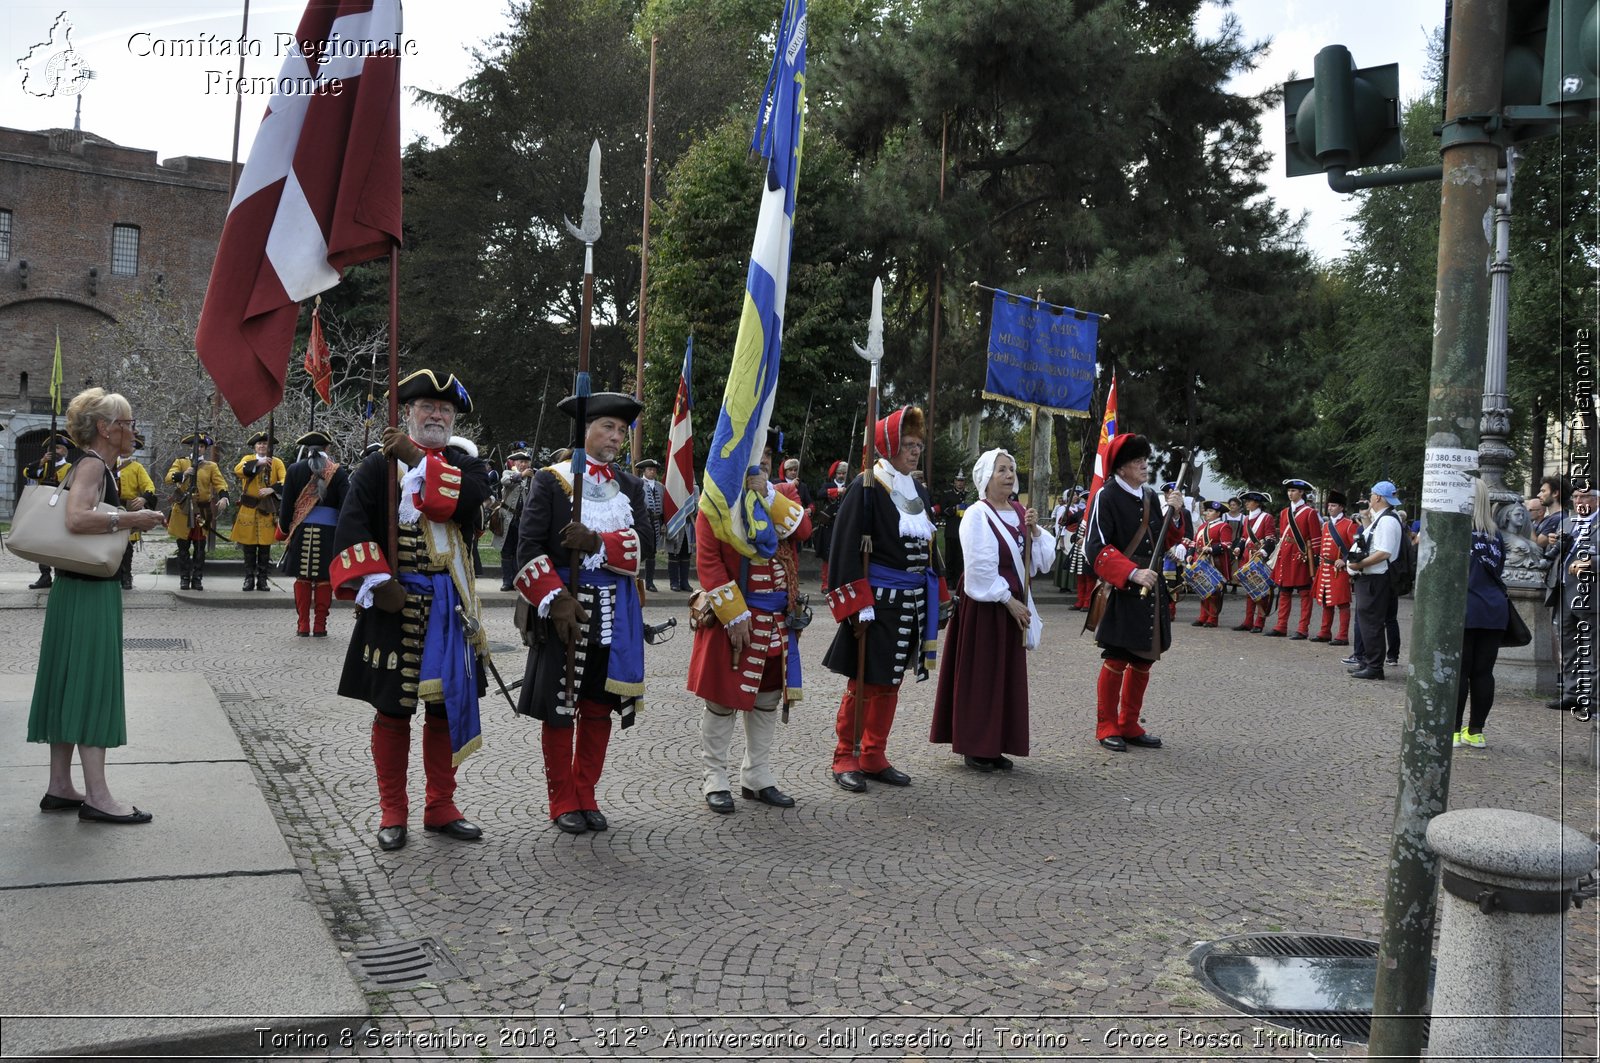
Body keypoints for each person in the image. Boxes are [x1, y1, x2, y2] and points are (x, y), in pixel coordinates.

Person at [331, 369, 491, 851]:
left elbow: (464, 506)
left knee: (445, 709)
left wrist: (416, 459)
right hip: (393, 607)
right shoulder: (377, 469)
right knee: (392, 710)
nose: (437, 415)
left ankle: (440, 805)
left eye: (445, 410)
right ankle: (392, 811)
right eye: (427, 407)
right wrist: (378, 584)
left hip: (450, 608)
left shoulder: (468, 466)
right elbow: (352, 525)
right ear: (409, 413)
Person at [513, 392, 651, 835]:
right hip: (564, 612)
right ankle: (562, 800)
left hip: (615, 614)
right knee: (561, 706)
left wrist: (598, 543)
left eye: (621, 431)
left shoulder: (629, 486)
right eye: (608, 427)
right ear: (585, 431)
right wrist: (554, 598)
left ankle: (586, 792)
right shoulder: (551, 481)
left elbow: (646, 545)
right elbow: (527, 547)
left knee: (598, 705)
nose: (615, 437)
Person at [29, 388, 167, 824]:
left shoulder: (93, 465)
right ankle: (98, 796)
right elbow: (76, 518)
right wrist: (132, 518)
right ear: (106, 428)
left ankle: (60, 786)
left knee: (68, 683)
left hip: (74, 591)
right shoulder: (92, 464)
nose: (131, 430)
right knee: (91, 685)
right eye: (126, 423)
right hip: (89, 592)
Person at [822, 405, 948, 793]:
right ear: (890, 445)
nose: (915, 451)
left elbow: (930, 549)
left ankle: (874, 754)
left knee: (891, 682)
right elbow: (844, 550)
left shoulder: (919, 491)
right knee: (863, 683)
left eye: (918, 445)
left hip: (911, 603)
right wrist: (857, 604)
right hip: (876, 603)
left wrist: (940, 595)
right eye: (908, 444)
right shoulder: (866, 486)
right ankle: (846, 754)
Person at [689, 430, 812, 813]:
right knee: (722, 702)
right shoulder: (716, 502)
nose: (762, 463)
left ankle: (756, 775)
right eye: (753, 457)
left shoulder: (783, 495)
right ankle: (715, 778)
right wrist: (733, 614)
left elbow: (803, 529)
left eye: (767, 457)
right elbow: (708, 562)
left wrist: (768, 493)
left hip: (776, 621)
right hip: (735, 618)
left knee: (766, 701)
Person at [930, 449, 1054, 771]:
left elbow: (1039, 563)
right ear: (987, 478)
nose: (1010, 474)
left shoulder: (1020, 511)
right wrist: (1007, 600)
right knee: (982, 676)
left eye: (1012, 469)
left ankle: (997, 743)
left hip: (1012, 605)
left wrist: (1036, 530)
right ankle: (975, 745)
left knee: (1005, 678)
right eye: (1002, 470)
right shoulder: (976, 514)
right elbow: (979, 566)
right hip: (986, 606)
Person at [1084, 434, 1181, 751]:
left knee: (1144, 660)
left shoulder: (1152, 496)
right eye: (1137, 460)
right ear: (1121, 467)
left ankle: (1129, 722)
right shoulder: (1106, 496)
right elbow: (1095, 547)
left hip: (1151, 588)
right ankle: (1106, 725)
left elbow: (1166, 540)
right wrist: (1131, 572)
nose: (1144, 464)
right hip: (1124, 586)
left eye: (1144, 458)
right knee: (1117, 658)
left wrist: (1175, 514)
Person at [278, 431, 350, 637]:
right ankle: (320, 626)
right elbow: (346, 505)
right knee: (324, 579)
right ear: (327, 448)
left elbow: (286, 506)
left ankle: (302, 625)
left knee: (303, 577)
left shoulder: (294, 469)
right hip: (329, 534)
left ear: (307, 450)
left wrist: (284, 529)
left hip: (301, 531)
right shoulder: (339, 473)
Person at [1456, 477, 1509, 749]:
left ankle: (1453, 730)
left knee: (1460, 671)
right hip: (1494, 610)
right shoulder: (1494, 534)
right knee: (1483, 673)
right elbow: (1498, 570)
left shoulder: (1457, 530)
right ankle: (1476, 731)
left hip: (1466, 608)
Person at [1347, 480, 1405, 680]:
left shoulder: (1388, 520)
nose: (1370, 497)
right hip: (1374, 577)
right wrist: (1365, 519)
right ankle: (1369, 662)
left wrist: (1358, 565)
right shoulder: (1384, 518)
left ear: (1378, 497)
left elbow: (1384, 552)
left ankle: (1374, 666)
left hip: (1376, 578)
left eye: (1372, 494)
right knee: (1368, 621)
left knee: (1371, 622)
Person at [1550, 477, 1598, 712]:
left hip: (1590, 593)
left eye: (1584, 496)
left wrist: (1591, 561)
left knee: (1590, 647)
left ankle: (1592, 699)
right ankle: (1571, 693)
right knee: (1568, 645)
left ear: (1597, 499)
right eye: (1576, 497)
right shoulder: (1568, 522)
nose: (1579, 501)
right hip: (1563, 590)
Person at [165, 434, 230, 591]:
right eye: (195, 445)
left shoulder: (210, 466)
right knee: (183, 547)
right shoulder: (181, 462)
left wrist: (224, 498)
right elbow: (168, 478)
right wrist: (184, 474)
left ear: (205, 449)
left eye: (201, 446)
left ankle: (197, 578)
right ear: (190, 447)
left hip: (202, 510)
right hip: (183, 510)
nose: (198, 448)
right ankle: (184, 578)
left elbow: (220, 483)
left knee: (200, 547)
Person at [231, 430, 285, 592]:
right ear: (254, 446)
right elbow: (239, 470)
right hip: (249, 508)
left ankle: (262, 579)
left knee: (264, 548)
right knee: (248, 547)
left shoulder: (276, 462)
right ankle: (249, 578)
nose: (262, 446)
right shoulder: (248, 459)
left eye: (265, 443)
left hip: (267, 509)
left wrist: (272, 489)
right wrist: (258, 464)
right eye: (259, 443)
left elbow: (285, 479)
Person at [1268, 478, 1321, 639]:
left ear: (1301, 493)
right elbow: (1283, 536)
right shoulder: (1285, 512)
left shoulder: (1310, 512)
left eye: (1294, 491)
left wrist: (1313, 559)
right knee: (1284, 592)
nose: (1290, 494)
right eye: (1289, 491)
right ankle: (1281, 626)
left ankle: (1303, 629)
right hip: (1286, 557)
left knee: (1305, 593)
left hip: (1301, 557)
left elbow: (1316, 538)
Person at [23, 433, 73, 588]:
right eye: (52, 448)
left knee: (60, 543)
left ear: (65, 451)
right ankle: (45, 576)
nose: (55, 451)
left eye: (58, 447)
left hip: (61, 510)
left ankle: (61, 574)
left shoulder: (71, 468)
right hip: (44, 510)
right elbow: (28, 473)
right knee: (41, 543)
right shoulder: (43, 465)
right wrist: (42, 461)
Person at [1312, 490, 1359, 645]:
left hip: (1339, 570)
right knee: (1326, 601)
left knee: (1342, 603)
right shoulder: (1326, 525)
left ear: (1341, 507)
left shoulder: (1349, 525)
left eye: (1333, 505)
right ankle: (1325, 632)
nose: (1330, 508)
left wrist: (1345, 560)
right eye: (1329, 505)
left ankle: (1342, 636)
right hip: (1325, 568)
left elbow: (1356, 547)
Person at [114, 434, 157, 591]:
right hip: (110, 508)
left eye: (132, 447)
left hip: (128, 509)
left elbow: (149, 487)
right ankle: (112, 574)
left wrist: (144, 499)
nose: (128, 450)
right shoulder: (107, 464)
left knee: (127, 546)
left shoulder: (137, 467)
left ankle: (126, 576)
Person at [1233, 491, 1276, 632]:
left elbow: (1271, 539)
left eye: (1248, 501)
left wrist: (1263, 552)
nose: (1246, 503)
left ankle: (1259, 622)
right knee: (1249, 589)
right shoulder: (1246, 519)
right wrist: (1239, 548)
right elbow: (1244, 538)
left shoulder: (1266, 518)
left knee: (1260, 591)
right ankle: (1248, 621)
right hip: (1247, 556)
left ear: (1257, 503)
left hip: (1258, 557)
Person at [494, 449, 533, 591]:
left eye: (525, 462)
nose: (523, 464)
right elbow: (505, 481)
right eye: (520, 462)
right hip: (507, 518)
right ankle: (507, 581)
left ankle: (518, 581)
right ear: (515, 463)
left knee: (520, 551)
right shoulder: (508, 474)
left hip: (525, 520)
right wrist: (522, 475)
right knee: (506, 551)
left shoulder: (534, 477)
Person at [1189, 499, 1232, 627]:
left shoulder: (1224, 526)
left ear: (1218, 514)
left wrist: (1211, 549)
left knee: (1214, 592)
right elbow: (1194, 542)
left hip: (1215, 562)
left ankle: (1212, 619)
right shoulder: (1202, 526)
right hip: (1201, 561)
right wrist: (1190, 554)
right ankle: (1203, 617)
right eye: (1207, 510)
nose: (1207, 513)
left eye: (1210, 511)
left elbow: (1227, 544)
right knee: (1202, 589)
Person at [813, 459, 849, 590]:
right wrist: (837, 492)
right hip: (829, 525)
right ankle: (826, 584)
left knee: (842, 553)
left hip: (844, 524)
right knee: (827, 556)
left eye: (844, 473)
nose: (841, 475)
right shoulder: (828, 485)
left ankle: (840, 583)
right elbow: (820, 494)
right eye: (839, 473)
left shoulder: (850, 486)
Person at [635, 458, 665, 592]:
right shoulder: (638, 484)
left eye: (654, 470)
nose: (652, 472)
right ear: (644, 471)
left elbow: (665, 505)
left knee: (653, 552)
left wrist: (664, 522)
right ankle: (635, 581)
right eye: (649, 469)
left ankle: (650, 582)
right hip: (643, 522)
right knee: (640, 550)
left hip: (657, 522)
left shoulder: (660, 487)